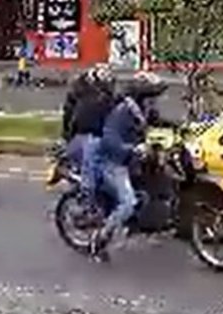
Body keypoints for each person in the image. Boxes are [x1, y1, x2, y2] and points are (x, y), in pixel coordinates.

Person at [89, 71, 170, 260]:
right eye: (152, 97)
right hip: (112, 162)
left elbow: (160, 123)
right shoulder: (122, 112)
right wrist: (132, 149)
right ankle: (100, 238)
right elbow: (109, 139)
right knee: (128, 203)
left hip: (130, 160)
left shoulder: (143, 110)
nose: (155, 101)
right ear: (142, 96)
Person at [58, 65, 114, 195]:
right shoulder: (93, 99)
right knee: (93, 168)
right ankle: (88, 194)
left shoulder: (85, 94)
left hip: (78, 135)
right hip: (86, 136)